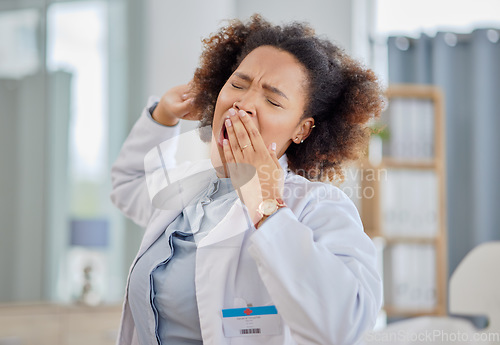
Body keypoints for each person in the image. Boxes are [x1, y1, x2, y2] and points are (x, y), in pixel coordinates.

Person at [111, 14, 385, 345]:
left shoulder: (318, 207)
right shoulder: (191, 186)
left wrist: (265, 204)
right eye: (238, 85)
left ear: (302, 129)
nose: (244, 104)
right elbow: (129, 184)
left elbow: (346, 324)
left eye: (272, 100)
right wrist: (163, 115)